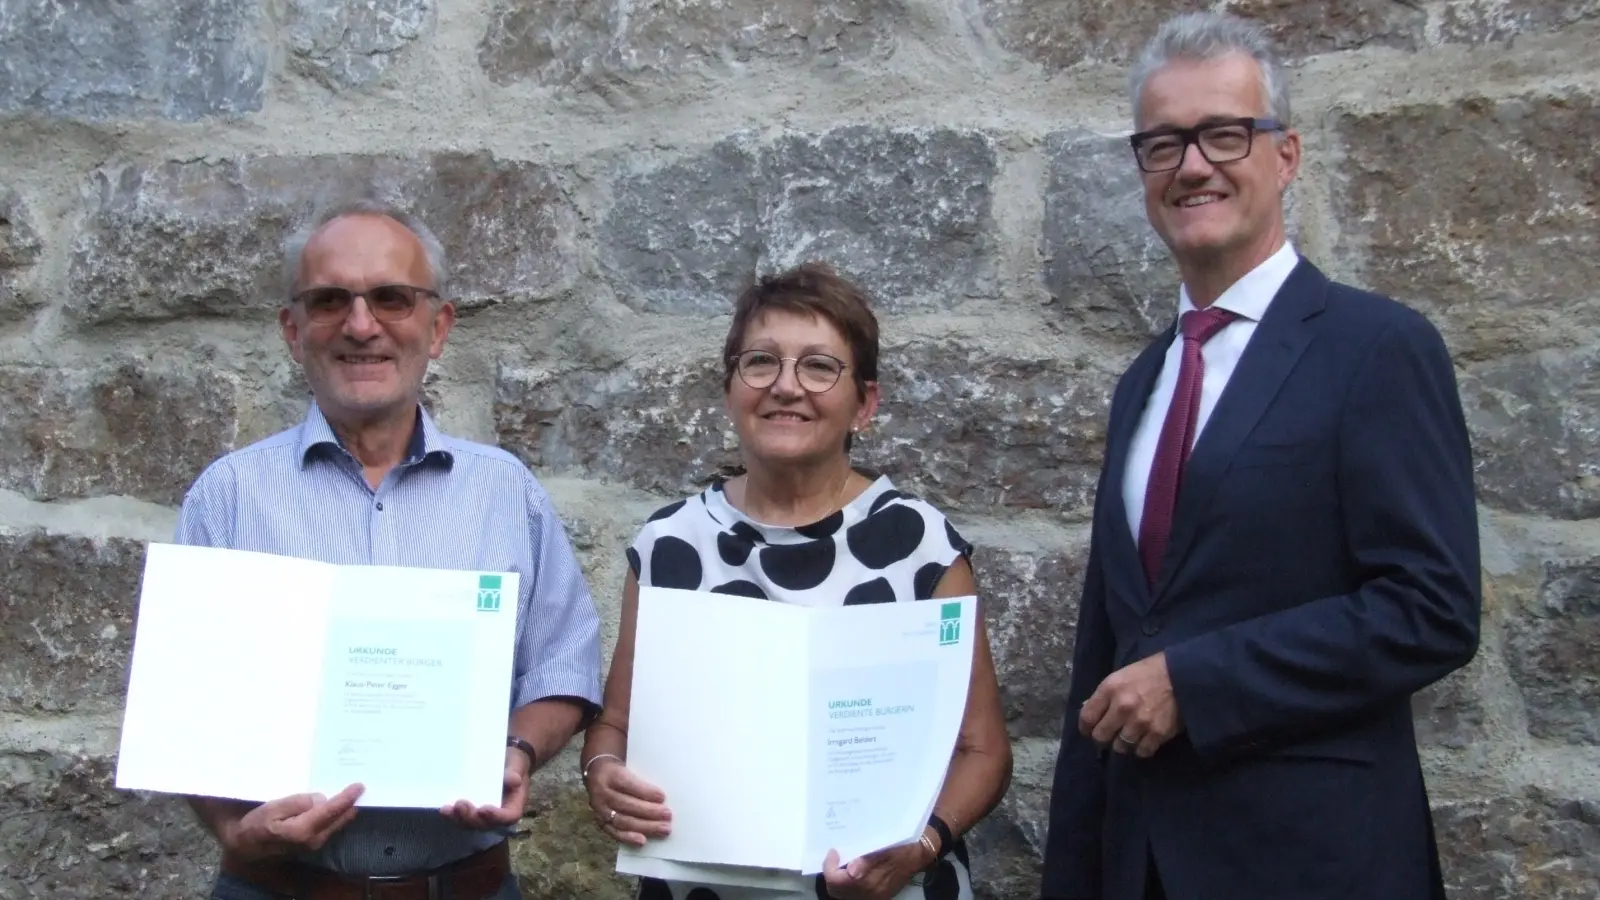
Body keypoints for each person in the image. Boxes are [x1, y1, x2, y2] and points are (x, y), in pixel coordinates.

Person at [1039, 12, 1481, 900]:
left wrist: (1196, 684)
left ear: (1286, 156)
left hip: (1317, 862)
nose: (1193, 165)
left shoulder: (1376, 347)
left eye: (1224, 134)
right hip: (1141, 864)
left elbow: (1432, 607)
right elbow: (1112, 650)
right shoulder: (1145, 382)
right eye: (1164, 144)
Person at [173, 200, 604, 900]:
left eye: (392, 299)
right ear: (292, 330)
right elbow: (183, 699)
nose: (361, 324)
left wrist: (517, 753)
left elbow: (563, 666)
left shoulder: (505, 493)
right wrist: (230, 829)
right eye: (329, 300)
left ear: (437, 328)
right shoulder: (226, 499)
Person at [578, 262, 1012, 900]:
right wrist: (601, 771)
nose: (786, 386)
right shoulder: (669, 545)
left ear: (865, 403)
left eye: (818, 366)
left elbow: (983, 752)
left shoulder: (920, 546)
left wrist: (922, 847)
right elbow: (615, 723)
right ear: (730, 389)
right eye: (761, 362)